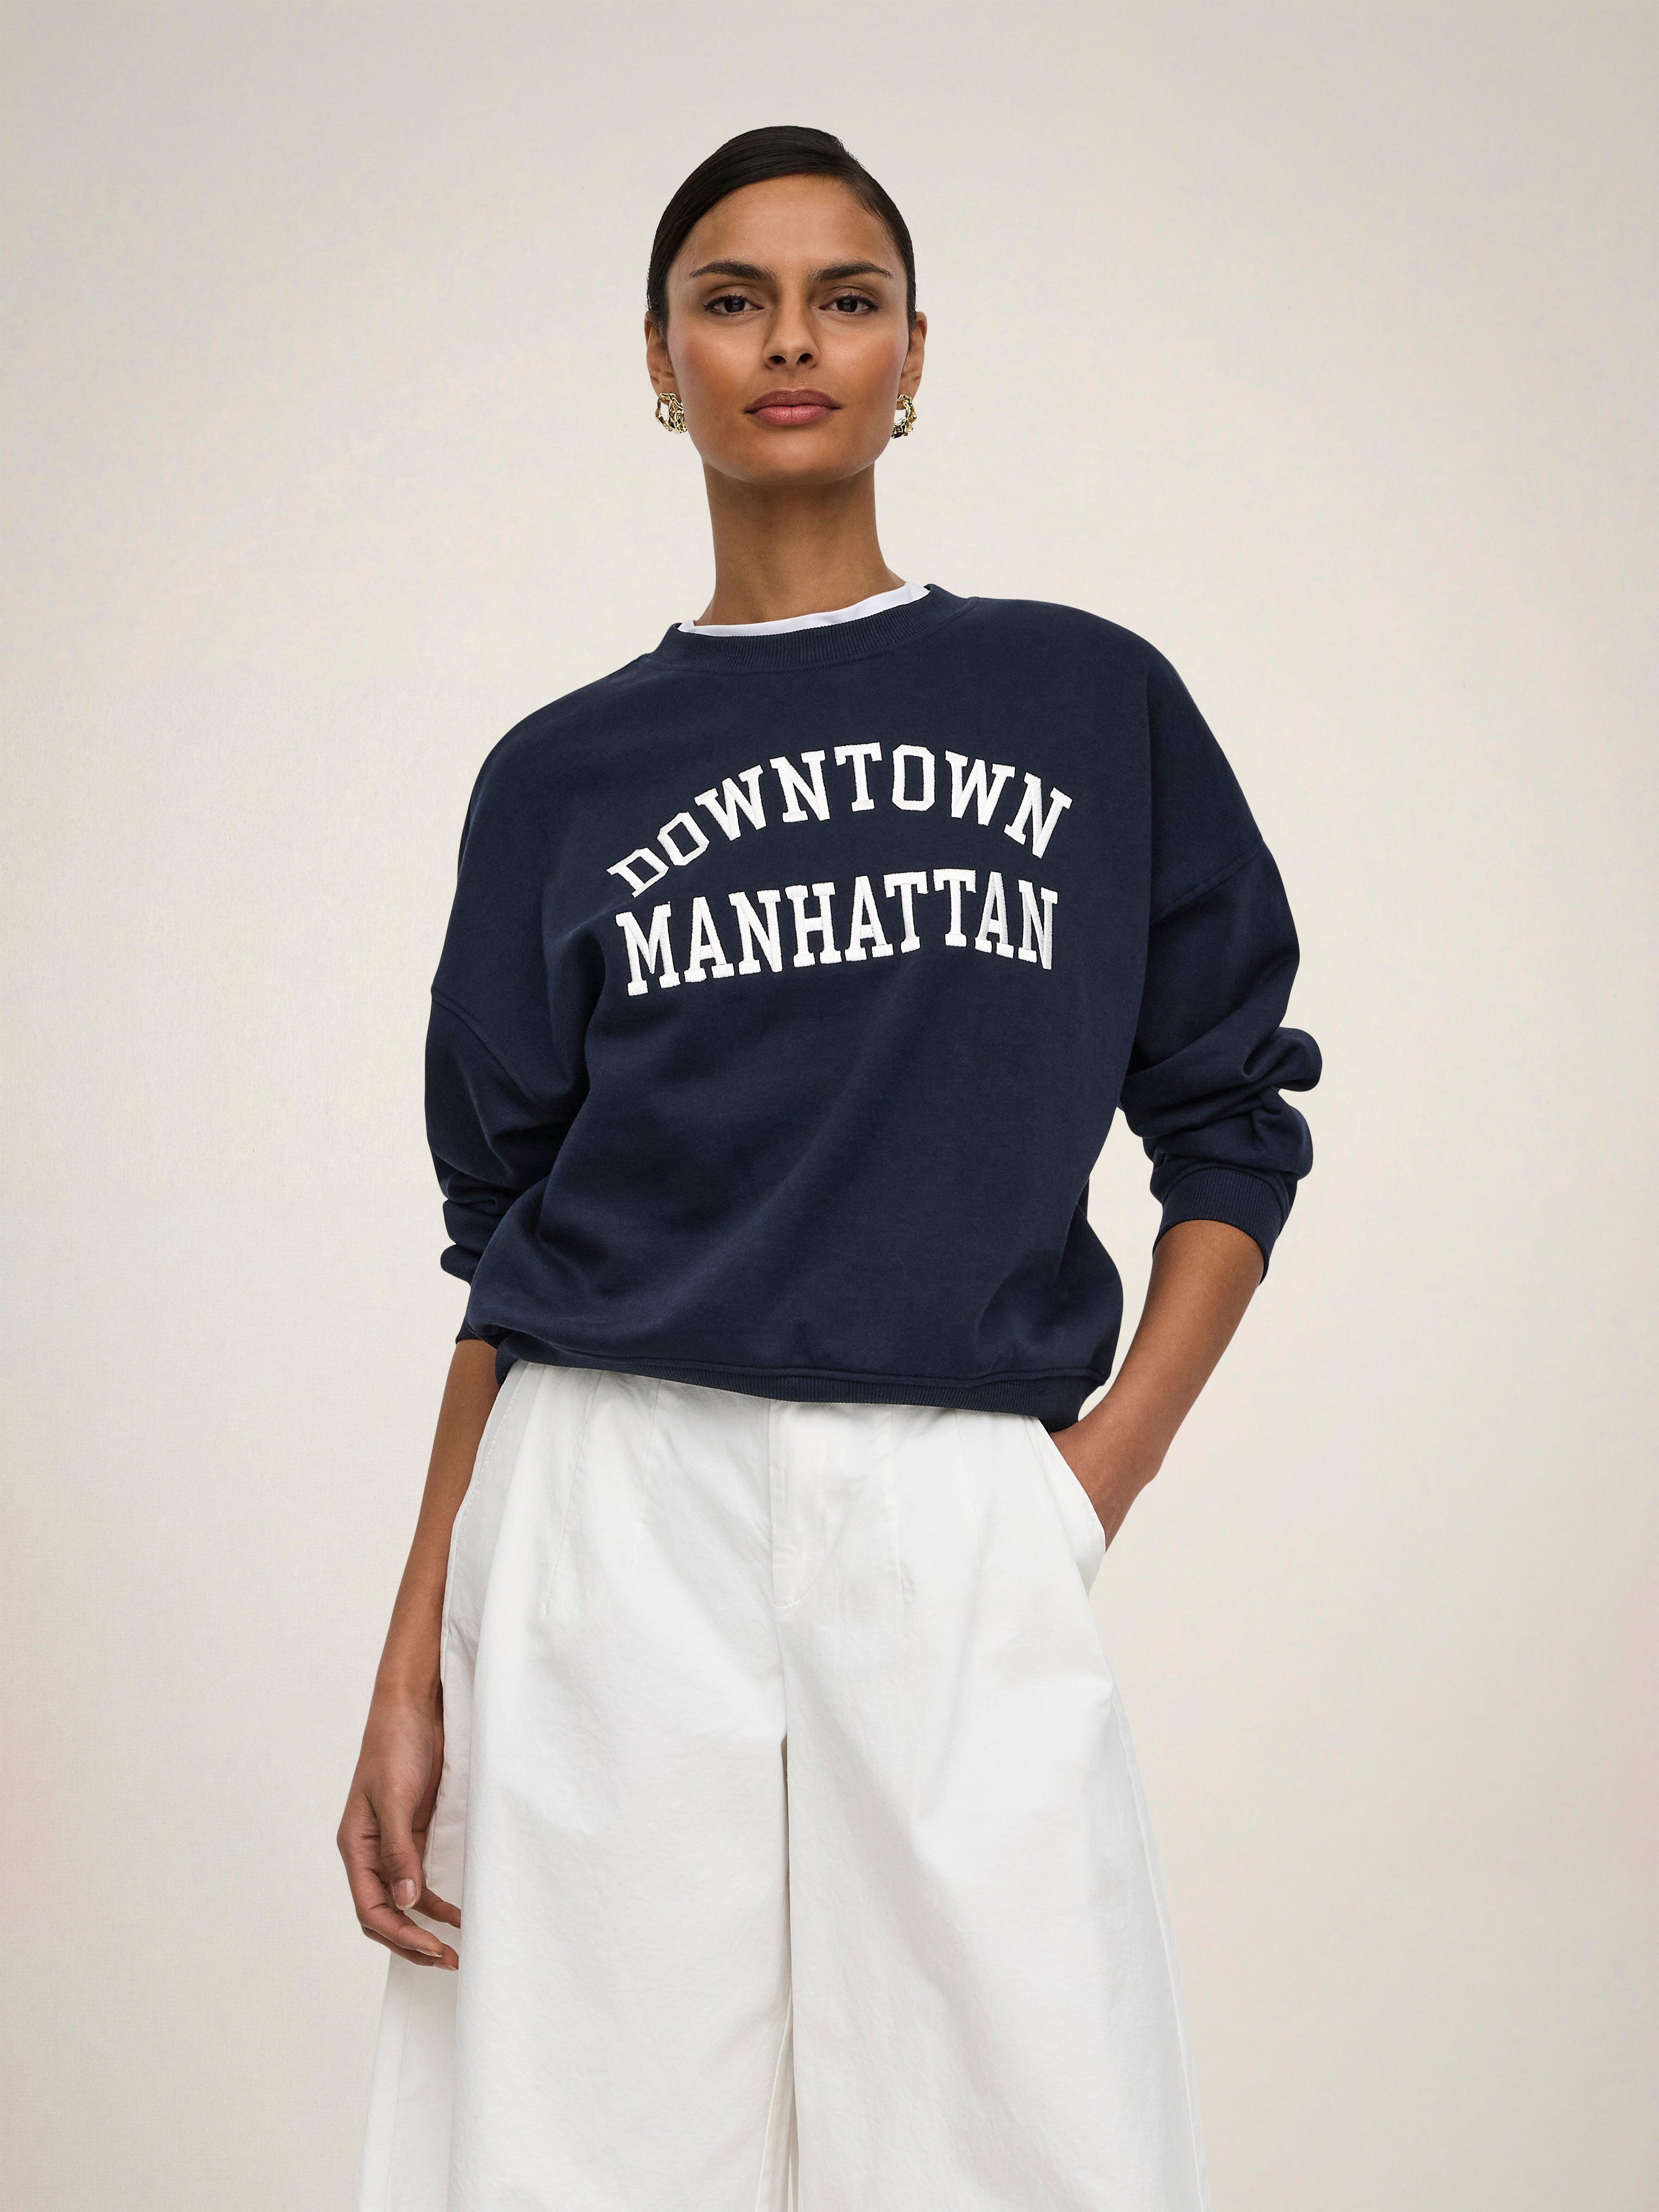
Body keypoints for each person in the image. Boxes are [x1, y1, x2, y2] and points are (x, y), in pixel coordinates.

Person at [340, 124, 1319, 2212]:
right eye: (733, 299)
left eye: (843, 298)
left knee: (1033, 2133)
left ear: (911, 356)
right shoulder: (559, 775)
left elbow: (1232, 1115)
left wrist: (1093, 1477)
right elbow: (505, 1242)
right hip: (609, 1500)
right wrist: (414, 1643)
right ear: (660, 360)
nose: (791, 340)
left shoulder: (1086, 698)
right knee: (585, 2152)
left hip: (953, 1494)